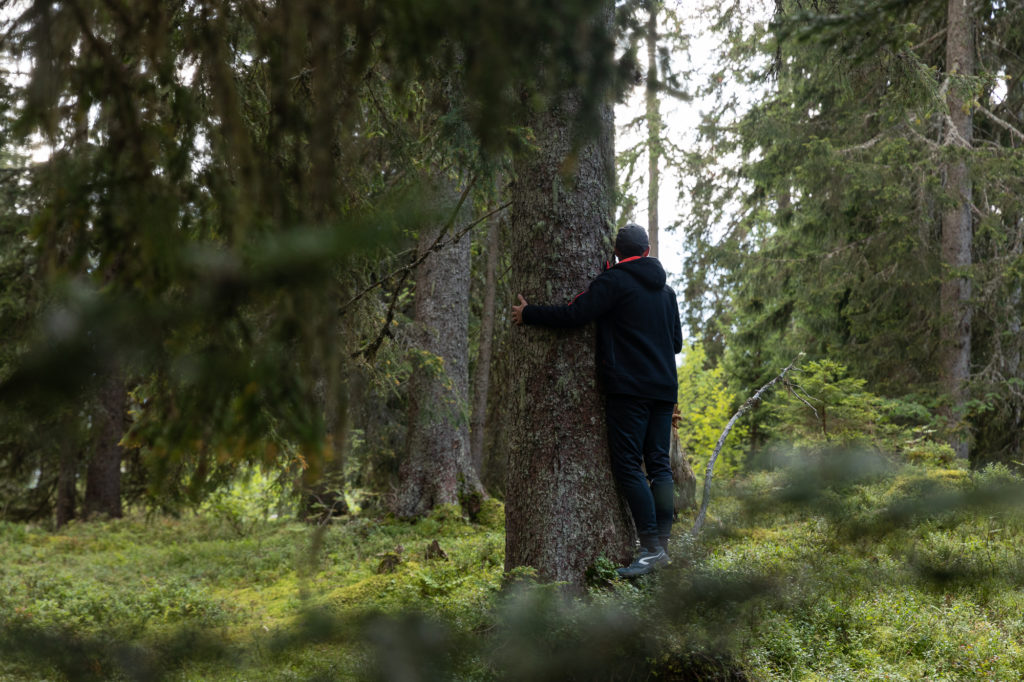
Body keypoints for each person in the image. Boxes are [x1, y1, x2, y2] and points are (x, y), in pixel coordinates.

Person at [512, 223, 683, 577]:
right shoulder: (667, 293)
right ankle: (662, 546)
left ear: (617, 253)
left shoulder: (613, 283)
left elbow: (575, 314)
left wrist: (528, 313)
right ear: (647, 251)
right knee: (659, 465)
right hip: (664, 389)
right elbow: (676, 343)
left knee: (627, 466)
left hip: (629, 389)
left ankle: (650, 548)